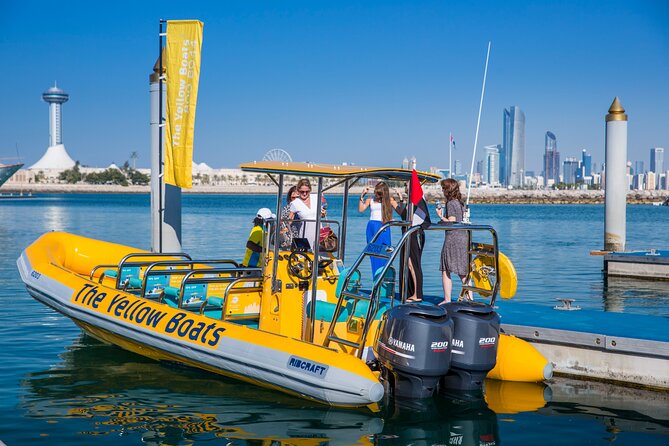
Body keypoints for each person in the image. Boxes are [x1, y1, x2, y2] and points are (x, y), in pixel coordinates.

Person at [394, 182, 431, 303]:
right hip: (408, 233)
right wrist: (400, 199)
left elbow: (420, 217)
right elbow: (404, 214)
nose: (405, 187)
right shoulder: (411, 201)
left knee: (414, 264)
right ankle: (409, 291)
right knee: (408, 263)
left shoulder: (418, 199)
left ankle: (417, 294)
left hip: (414, 234)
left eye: (407, 184)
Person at [436, 178, 470, 303]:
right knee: (463, 270)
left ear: (447, 190)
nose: (442, 190)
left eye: (443, 188)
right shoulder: (461, 203)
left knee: (446, 269)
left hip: (453, 238)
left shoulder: (450, 203)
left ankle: (447, 299)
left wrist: (440, 216)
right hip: (463, 236)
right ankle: (470, 298)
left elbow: (452, 221)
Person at [359, 182, 396, 274]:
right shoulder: (370, 199)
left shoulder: (389, 200)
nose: (377, 195)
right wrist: (362, 196)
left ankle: (385, 276)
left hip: (383, 226)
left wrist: (402, 199)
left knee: (385, 252)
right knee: (373, 253)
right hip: (372, 227)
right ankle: (376, 277)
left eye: (379, 193)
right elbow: (361, 209)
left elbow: (400, 210)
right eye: (376, 192)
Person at [288, 178, 325, 251]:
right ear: (298, 191)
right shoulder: (295, 203)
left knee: (321, 257)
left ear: (310, 190)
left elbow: (322, 214)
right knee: (304, 258)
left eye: (307, 191)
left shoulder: (316, 197)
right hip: (304, 236)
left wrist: (323, 213)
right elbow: (289, 220)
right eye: (302, 192)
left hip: (319, 234)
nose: (304, 194)